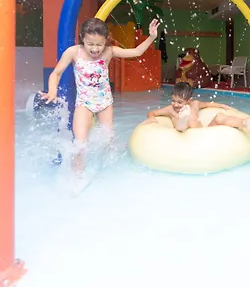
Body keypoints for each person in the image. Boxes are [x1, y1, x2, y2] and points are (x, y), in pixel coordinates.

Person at [40, 17, 160, 172]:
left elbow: (137, 51)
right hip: (84, 103)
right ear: (82, 38)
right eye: (90, 44)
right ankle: (77, 177)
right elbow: (56, 73)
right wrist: (52, 90)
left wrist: (151, 37)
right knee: (80, 144)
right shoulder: (74, 52)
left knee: (107, 140)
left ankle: (106, 171)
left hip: (105, 103)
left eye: (99, 44)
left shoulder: (109, 51)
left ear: (106, 41)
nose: (95, 49)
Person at [144, 81, 250, 132]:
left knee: (219, 117)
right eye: (173, 101)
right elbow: (152, 112)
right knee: (184, 123)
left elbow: (208, 104)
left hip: (202, 134)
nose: (175, 104)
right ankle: (182, 119)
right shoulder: (170, 109)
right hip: (183, 134)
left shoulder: (195, 104)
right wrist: (151, 118)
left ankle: (245, 123)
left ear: (188, 100)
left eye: (180, 102)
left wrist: (222, 105)